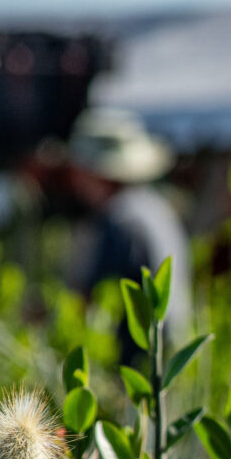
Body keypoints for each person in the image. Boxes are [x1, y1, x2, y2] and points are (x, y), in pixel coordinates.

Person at [64, 107, 194, 346]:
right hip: (170, 353)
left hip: (136, 363)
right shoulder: (157, 207)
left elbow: (96, 304)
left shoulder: (119, 222)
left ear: (94, 172)